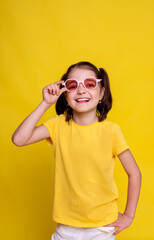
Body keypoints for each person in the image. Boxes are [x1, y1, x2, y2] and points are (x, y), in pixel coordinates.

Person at [12, 61, 141, 240]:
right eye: (73, 86)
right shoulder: (58, 125)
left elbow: (134, 173)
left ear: (102, 92)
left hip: (102, 226)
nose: (81, 90)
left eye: (89, 84)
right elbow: (19, 139)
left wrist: (129, 216)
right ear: (64, 94)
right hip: (66, 226)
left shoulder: (111, 130)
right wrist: (45, 103)